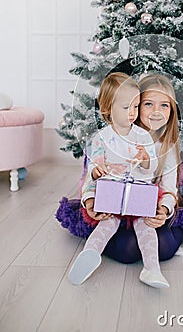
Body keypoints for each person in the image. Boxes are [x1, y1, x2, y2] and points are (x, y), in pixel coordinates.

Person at [68, 72, 170, 288]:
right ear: (108, 109)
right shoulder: (101, 139)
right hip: (112, 196)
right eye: (126, 108)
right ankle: (89, 255)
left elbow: (151, 169)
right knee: (107, 223)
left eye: (136, 106)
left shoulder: (142, 137)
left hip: (138, 195)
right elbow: (93, 171)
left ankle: (152, 270)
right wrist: (97, 173)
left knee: (146, 226)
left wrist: (145, 160)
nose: (133, 113)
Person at [97, 73, 183, 264]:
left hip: (149, 208)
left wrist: (163, 210)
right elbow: (98, 173)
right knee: (128, 251)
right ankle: (95, 247)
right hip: (119, 206)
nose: (156, 111)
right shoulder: (118, 137)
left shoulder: (167, 147)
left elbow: (169, 188)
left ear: (172, 110)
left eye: (164, 105)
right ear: (135, 105)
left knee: (163, 248)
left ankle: (181, 234)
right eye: (148, 104)